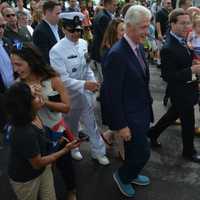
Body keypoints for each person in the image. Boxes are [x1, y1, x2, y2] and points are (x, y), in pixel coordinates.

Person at [11, 43, 77, 199]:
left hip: (56, 131)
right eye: (12, 64)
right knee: (44, 168)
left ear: (32, 61)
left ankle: (71, 190)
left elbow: (67, 107)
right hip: (35, 136)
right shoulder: (18, 85)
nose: (15, 69)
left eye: (19, 64)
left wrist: (44, 101)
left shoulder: (52, 79)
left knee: (65, 164)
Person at [101, 5, 153, 197]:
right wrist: (121, 126)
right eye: (143, 27)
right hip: (129, 117)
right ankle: (123, 176)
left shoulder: (136, 46)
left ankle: (132, 173)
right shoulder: (117, 55)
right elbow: (111, 96)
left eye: (148, 26)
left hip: (140, 111)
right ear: (129, 26)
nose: (147, 32)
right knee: (143, 153)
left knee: (135, 152)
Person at [50, 12, 110, 165]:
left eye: (79, 30)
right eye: (72, 30)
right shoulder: (56, 50)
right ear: (63, 29)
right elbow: (62, 79)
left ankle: (99, 152)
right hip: (69, 96)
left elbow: (87, 67)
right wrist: (84, 84)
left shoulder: (83, 44)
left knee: (92, 123)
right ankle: (74, 148)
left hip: (85, 92)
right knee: (72, 125)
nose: (76, 33)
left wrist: (92, 80)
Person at [5, 82, 79, 200]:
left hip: (44, 169)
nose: (40, 98)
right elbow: (37, 163)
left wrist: (56, 140)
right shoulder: (24, 132)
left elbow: (41, 137)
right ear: (25, 105)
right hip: (26, 179)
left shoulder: (33, 115)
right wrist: (65, 150)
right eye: (34, 96)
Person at [149, 8, 200, 163]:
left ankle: (152, 133)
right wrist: (191, 70)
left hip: (188, 87)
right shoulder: (168, 48)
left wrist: (192, 62)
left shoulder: (182, 39)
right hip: (180, 91)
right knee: (188, 122)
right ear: (172, 24)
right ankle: (189, 151)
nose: (187, 26)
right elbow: (168, 76)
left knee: (172, 115)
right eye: (183, 23)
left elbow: (184, 60)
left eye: (188, 23)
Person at [91, 0, 117, 81]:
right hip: (102, 53)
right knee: (105, 79)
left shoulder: (102, 14)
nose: (116, 7)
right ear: (107, 5)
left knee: (102, 78)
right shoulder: (104, 17)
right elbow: (108, 38)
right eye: (114, 5)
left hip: (100, 52)